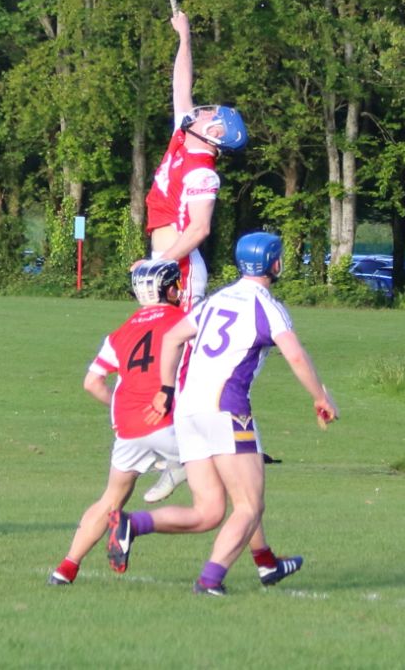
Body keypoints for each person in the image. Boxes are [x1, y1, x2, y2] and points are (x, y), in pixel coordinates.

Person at [106, 231, 338, 596]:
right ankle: (211, 580)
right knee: (248, 505)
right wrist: (319, 396)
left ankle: (131, 524)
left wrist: (166, 390)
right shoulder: (267, 306)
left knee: (209, 512)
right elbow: (294, 355)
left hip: (187, 413)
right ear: (274, 263)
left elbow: (172, 339)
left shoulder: (215, 299)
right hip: (226, 410)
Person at [137, 10, 248, 504]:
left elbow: (199, 229)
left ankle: (182, 455)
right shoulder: (187, 132)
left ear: (215, 134)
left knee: (172, 363)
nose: (199, 109)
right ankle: (175, 452)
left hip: (179, 267)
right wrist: (185, 37)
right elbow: (181, 86)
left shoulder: (204, 169)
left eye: (208, 113)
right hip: (163, 260)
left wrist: (159, 264)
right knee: (158, 360)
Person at [46, 261, 186, 586]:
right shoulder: (183, 320)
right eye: (176, 284)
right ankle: (259, 560)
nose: (179, 290)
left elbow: (92, 383)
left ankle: (66, 568)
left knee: (110, 499)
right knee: (232, 483)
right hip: (166, 418)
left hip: (128, 425)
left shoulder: (121, 332)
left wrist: (123, 404)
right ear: (168, 290)